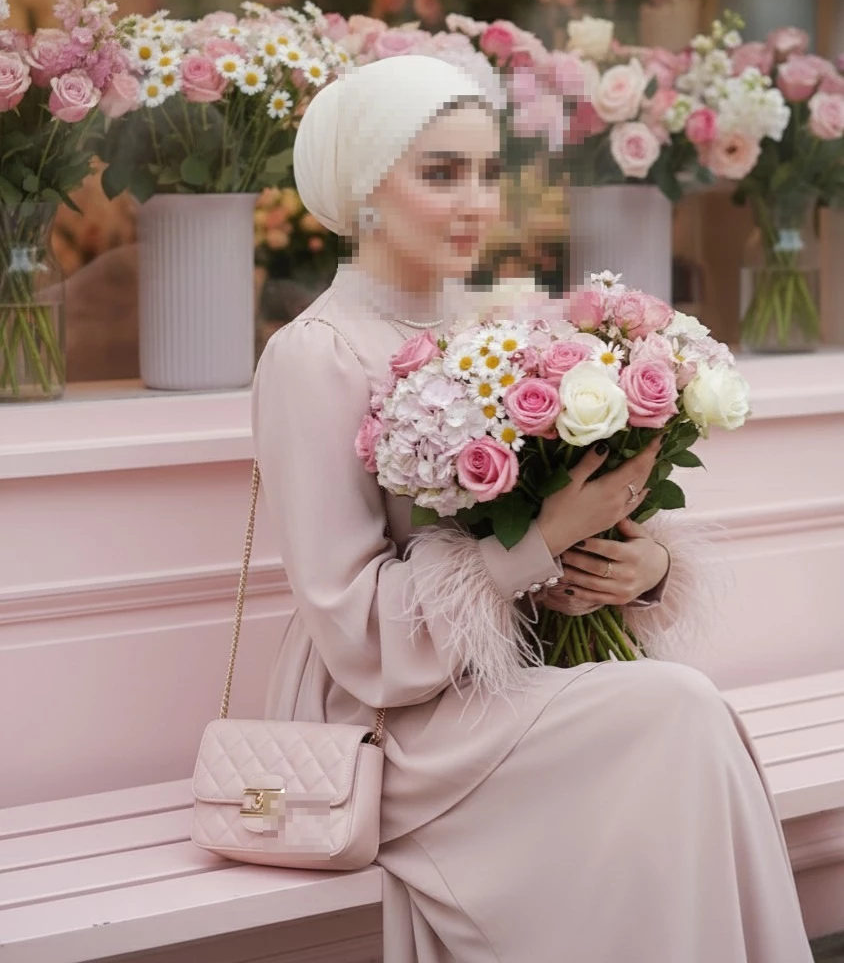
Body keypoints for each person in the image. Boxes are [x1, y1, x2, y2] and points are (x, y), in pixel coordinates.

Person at [251, 55, 814, 963]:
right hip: (395, 721)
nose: (477, 201)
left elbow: (556, 520)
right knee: (675, 712)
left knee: (680, 715)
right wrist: (543, 540)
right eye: (441, 173)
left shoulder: (495, 328)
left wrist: (643, 567)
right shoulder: (313, 356)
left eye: (487, 172)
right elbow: (350, 626)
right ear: (362, 190)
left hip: (514, 684)